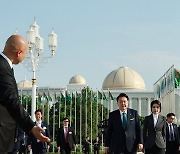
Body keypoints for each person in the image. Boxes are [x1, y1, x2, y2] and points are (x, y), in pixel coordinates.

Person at [0, 35, 50, 153]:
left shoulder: (5, 66)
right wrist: (31, 127)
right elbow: (11, 100)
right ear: (19, 52)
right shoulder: (2, 68)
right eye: (26, 54)